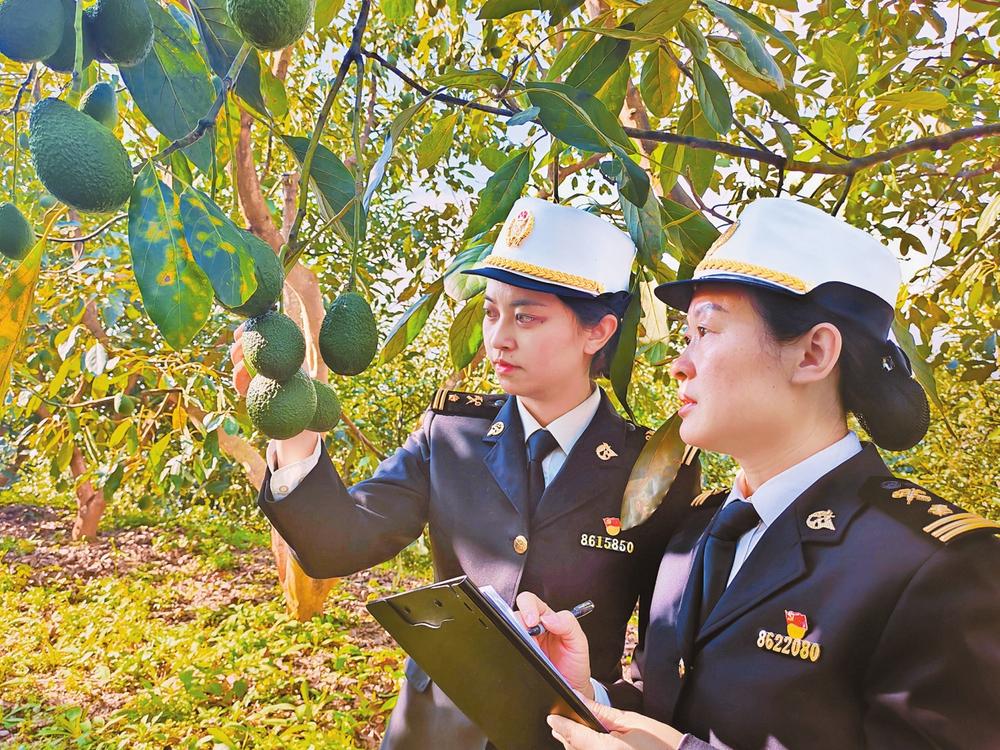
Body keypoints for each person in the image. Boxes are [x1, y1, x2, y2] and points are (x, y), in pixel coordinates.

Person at [516, 197, 1000, 750]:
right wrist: (586, 694)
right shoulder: (695, 533)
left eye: (707, 330)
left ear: (813, 353)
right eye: (686, 336)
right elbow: (665, 709)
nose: (679, 364)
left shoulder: (939, 566)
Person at [230, 197, 702, 750]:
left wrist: (595, 705)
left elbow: (659, 661)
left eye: (526, 316)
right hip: (431, 731)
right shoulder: (451, 434)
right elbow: (337, 543)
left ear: (597, 331)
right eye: (492, 312)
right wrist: (292, 428)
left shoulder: (654, 470)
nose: (498, 337)